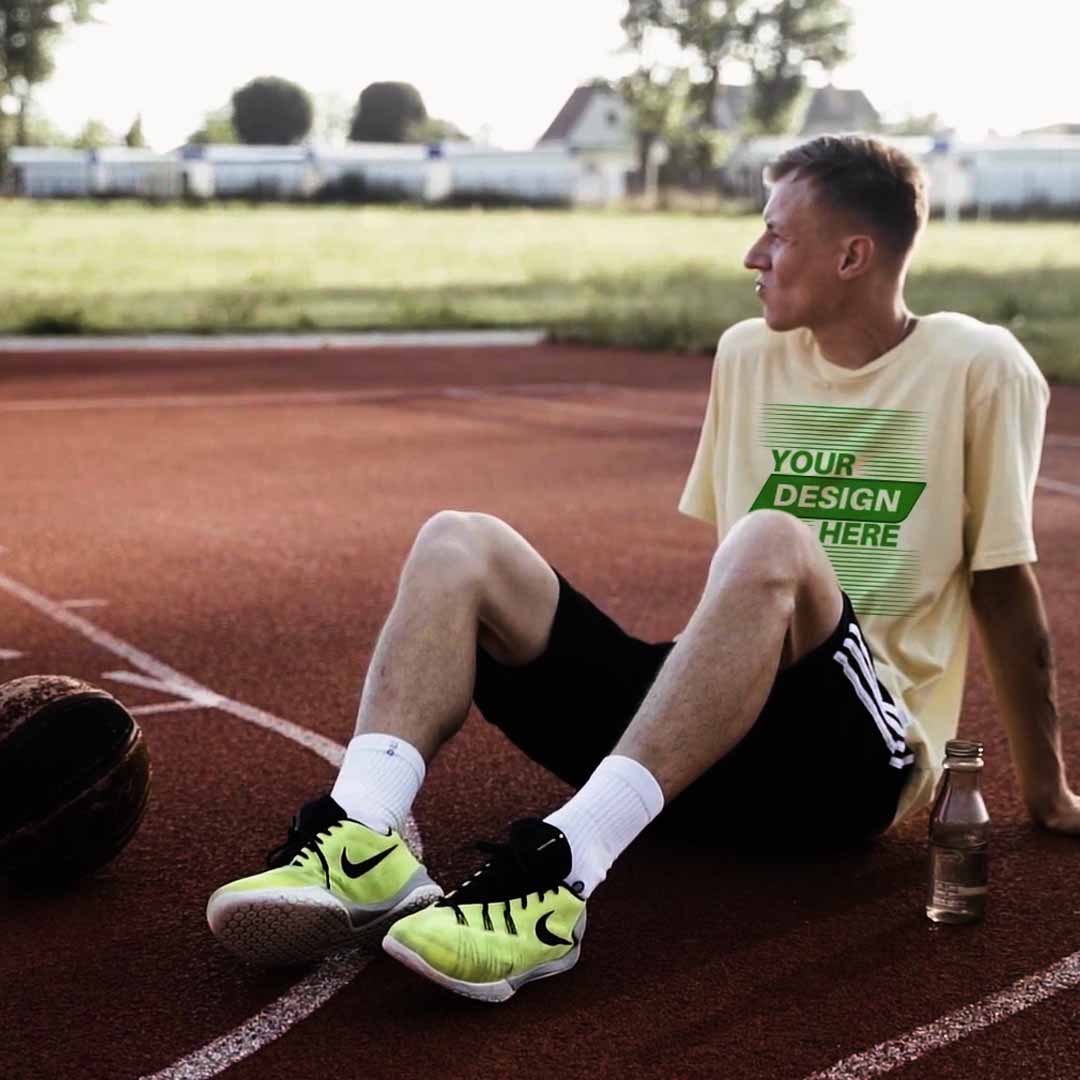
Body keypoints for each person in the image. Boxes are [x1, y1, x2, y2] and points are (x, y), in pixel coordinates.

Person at [206, 134, 1079, 1002]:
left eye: (777, 235)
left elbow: (1002, 584)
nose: (753, 255)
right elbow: (731, 600)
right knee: (456, 541)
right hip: (712, 753)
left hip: (849, 769)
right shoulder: (748, 355)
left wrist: (1048, 795)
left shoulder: (978, 367)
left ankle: (562, 874)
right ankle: (364, 836)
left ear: (853, 256)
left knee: (772, 538)